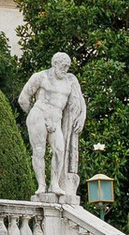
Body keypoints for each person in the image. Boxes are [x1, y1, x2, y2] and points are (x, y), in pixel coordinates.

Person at [17, 48, 87, 199]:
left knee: (59, 150)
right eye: (63, 66)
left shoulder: (69, 81)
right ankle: (41, 184)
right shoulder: (40, 77)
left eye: (67, 66)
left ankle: (54, 183)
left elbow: (80, 102)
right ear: (54, 64)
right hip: (39, 115)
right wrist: (34, 114)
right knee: (39, 150)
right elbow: (23, 99)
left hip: (56, 119)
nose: (65, 69)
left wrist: (81, 117)